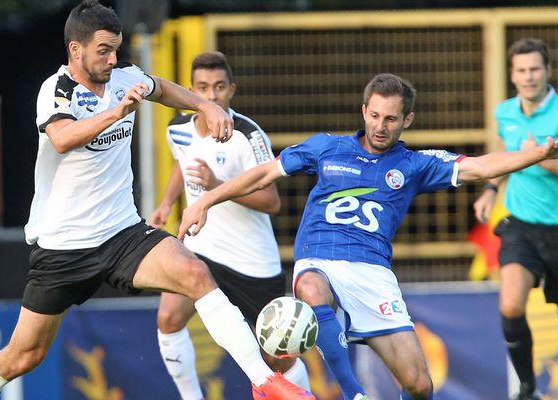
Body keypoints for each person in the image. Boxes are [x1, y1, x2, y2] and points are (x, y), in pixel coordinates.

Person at [0, 2, 315, 400]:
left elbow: (160, 87)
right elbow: (61, 138)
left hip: (121, 233)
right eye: (103, 51)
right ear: (75, 49)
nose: (113, 59)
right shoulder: (56, 90)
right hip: (63, 248)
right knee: (24, 357)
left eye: (116, 50)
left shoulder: (125, 76)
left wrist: (205, 104)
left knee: (196, 275)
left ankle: (264, 382)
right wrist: (116, 112)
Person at [177, 72, 558, 400]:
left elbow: (480, 167)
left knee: (419, 383)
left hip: (373, 273)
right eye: (374, 115)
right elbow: (262, 175)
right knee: (309, 288)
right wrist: (207, 200)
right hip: (319, 258)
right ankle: (352, 392)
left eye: (391, 119)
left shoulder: (414, 164)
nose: (380, 125)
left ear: (407, 119)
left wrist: (540, 154)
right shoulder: (327, 147)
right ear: (363, 112)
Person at [149, 51, 310, 399]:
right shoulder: (177, 127)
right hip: (201, 247)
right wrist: (165, 204)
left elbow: (272, 202)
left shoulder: (249, 135)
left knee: (276, 357)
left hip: (250, 260)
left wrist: (214, 186)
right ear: (192, 90)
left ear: (231, 90)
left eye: (219, 87)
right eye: (203, 88)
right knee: (168, 319)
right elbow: (183, 163)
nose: (211, 96)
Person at [473, 37, 558, 400]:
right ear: (512, 74)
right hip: (521, 224)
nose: (529, 77)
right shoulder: (504, 112)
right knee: (510, 304)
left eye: (535, 69)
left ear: (548, 71)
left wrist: (538, 156)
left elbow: (531, 158)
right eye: (521, 70)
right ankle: (526, 388)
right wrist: (491, 189)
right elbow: (505, 155)